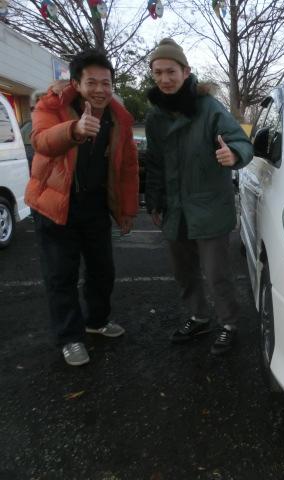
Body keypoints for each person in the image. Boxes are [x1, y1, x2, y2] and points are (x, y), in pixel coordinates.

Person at [25, 50, 139, 366]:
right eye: (92, 82)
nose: (100, 89)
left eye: (106, 83)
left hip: (94, 205)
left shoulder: (119, 118)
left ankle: (96, 321)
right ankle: (70, 337)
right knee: (61, 274)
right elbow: (42, 141)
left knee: (103, 270)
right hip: (54, 203)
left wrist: (127, 209)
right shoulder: (53, 105)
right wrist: (74, 129)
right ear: (76, 82)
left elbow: (128, 165)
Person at [144, 38, 253, 354]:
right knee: (184, 273)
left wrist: (233, 154)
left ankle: (229, 323)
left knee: (217, 274)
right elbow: (154, 163)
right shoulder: (155, 117)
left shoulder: (208, 108)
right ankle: (198, 316)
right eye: (158, 72)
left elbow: (239, 141)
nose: (165, 79)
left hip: (209, 208)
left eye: (171, 71)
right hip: (174, 209)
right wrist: (153, 201)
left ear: (185, 71)